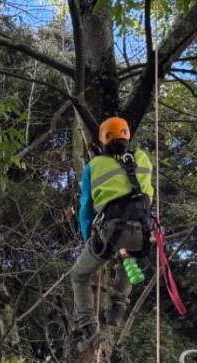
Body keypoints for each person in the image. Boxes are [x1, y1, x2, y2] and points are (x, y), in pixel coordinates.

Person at [69, 117, 154, 349]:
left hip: (111, 230)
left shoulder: (94, 166)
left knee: (79, 275)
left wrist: (89, 240)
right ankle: (118, 305)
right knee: (129, 252)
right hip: (143, 230)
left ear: (104, 140)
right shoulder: (143, 159)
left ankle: (88, 326)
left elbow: (86, 208)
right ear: (126, 136)